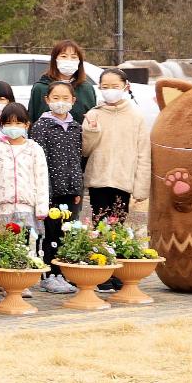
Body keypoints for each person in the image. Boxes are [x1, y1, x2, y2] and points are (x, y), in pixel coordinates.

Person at [0, 102, 49, 305]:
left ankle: (22, 283)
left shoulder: (34, 149)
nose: (13, 126)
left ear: (27, 124)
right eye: (8, 122)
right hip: (3, 206)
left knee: (24, 245)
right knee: (4, 245)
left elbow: (41, 178)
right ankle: (6, 282)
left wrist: (41, 208)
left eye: (18, 122)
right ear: (1, 125)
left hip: (26, 205)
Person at [29, 79, 85, 293]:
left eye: (65, 98)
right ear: (47, 100)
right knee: (50, 233)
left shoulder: (75, 126)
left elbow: (78, 158)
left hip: (71, 190)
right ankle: (49, 275)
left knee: (67, 232)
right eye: (55, 98)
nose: (60, 102)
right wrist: (45, 192)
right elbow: (39, 162)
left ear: (73, 100)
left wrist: (78, 188)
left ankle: (64, 273)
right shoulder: (41, 126)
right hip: (50, 191)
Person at [81, 69, 151, 222]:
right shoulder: (94, 113)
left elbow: (143, 154)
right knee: (99, 226)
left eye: (115, 86)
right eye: (105, 87)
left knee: (117, 228)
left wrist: (141, 189)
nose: (110, 90)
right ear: (99, 88)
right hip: (98, 180)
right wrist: (91, 129)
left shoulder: (136, 116)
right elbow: (85, 150)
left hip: (123, 181)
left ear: (125, 87)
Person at [27, 40, 97, 120]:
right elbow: (32, 119)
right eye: (64, 56)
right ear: (55, 59)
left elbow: (92, 120)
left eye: (74, 57)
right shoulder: (40, 88)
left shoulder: (86, 89)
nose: (69, 60)